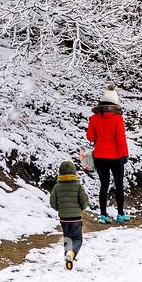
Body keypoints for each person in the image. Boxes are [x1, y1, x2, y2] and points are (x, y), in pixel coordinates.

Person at [86, 82, 130, 223]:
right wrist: (125, 154)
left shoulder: (93, 119)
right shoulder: (118, 119)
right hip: (116, 157)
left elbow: (90, 137)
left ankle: (103, 215)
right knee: (119, 185)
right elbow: (120, 139)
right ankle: (120, 214)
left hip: (100, 157)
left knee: (103, 186)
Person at [48, 159, 89, 270]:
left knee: (67, 237)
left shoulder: (57, 187)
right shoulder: (78, 186)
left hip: (64, 218)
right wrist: (81, 208)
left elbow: (52, 202)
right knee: (77, 239)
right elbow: (84, 200)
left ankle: (68, 258)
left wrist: (59, 209)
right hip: (76, 217)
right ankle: (71, 254)